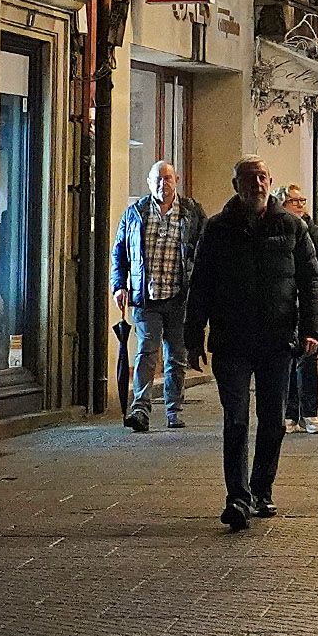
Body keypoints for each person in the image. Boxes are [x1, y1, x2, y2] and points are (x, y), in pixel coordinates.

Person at [183, 156, 318, 531]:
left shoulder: (291, 226)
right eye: (249, 179)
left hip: (277, 338)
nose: (257, 184)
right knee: (235, 418)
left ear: (270, 181)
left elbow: (311, 280)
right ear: (237, 186)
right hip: (231, 338)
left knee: (272, 419)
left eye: (262, 177)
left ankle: (262, 489)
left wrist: (313, 328)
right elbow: (200, 284)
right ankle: (238, 497)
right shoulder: (217, 228)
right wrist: (193, 335)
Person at [107, 160, 204, 432]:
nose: (164, 184)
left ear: (177, 180)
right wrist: (119, 285)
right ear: (150, 183)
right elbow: (119, 253)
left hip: (178, 296)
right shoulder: (135, 213)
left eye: (168, 178)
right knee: (146, 351)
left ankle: (174, 409)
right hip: (146, 297)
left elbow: (203, 251)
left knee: (176, 355)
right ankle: (141, 409)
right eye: (158, 179)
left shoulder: (191, 214)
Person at [280, 185, 318, 436]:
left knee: (307, 357)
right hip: (284, 304)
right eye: (294, 200)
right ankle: (288, 413)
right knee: (286, 360)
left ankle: (309, 413)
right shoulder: (277, 231)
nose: (299, 204)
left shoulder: (315, 233)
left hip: (308, 304)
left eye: (302, 200)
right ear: (282, 203)